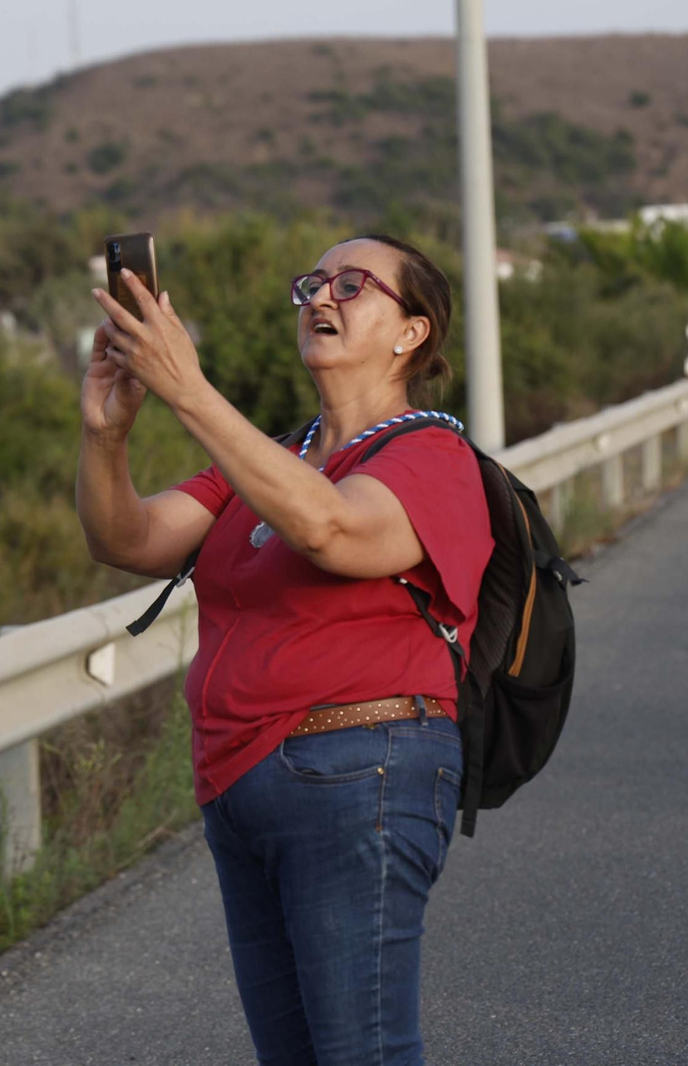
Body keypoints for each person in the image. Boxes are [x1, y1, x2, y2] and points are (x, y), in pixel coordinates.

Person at [76, 234, 493, 1065]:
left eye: (353, 284)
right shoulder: (271, 463)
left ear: (412, 333)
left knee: (364, 1053)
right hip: (239, 783)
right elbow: (129, 539)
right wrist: (104, 435)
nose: (322, 297)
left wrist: (188, 389)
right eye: (314, 284)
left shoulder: (433, 458)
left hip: (361, 773)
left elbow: (331, 528)